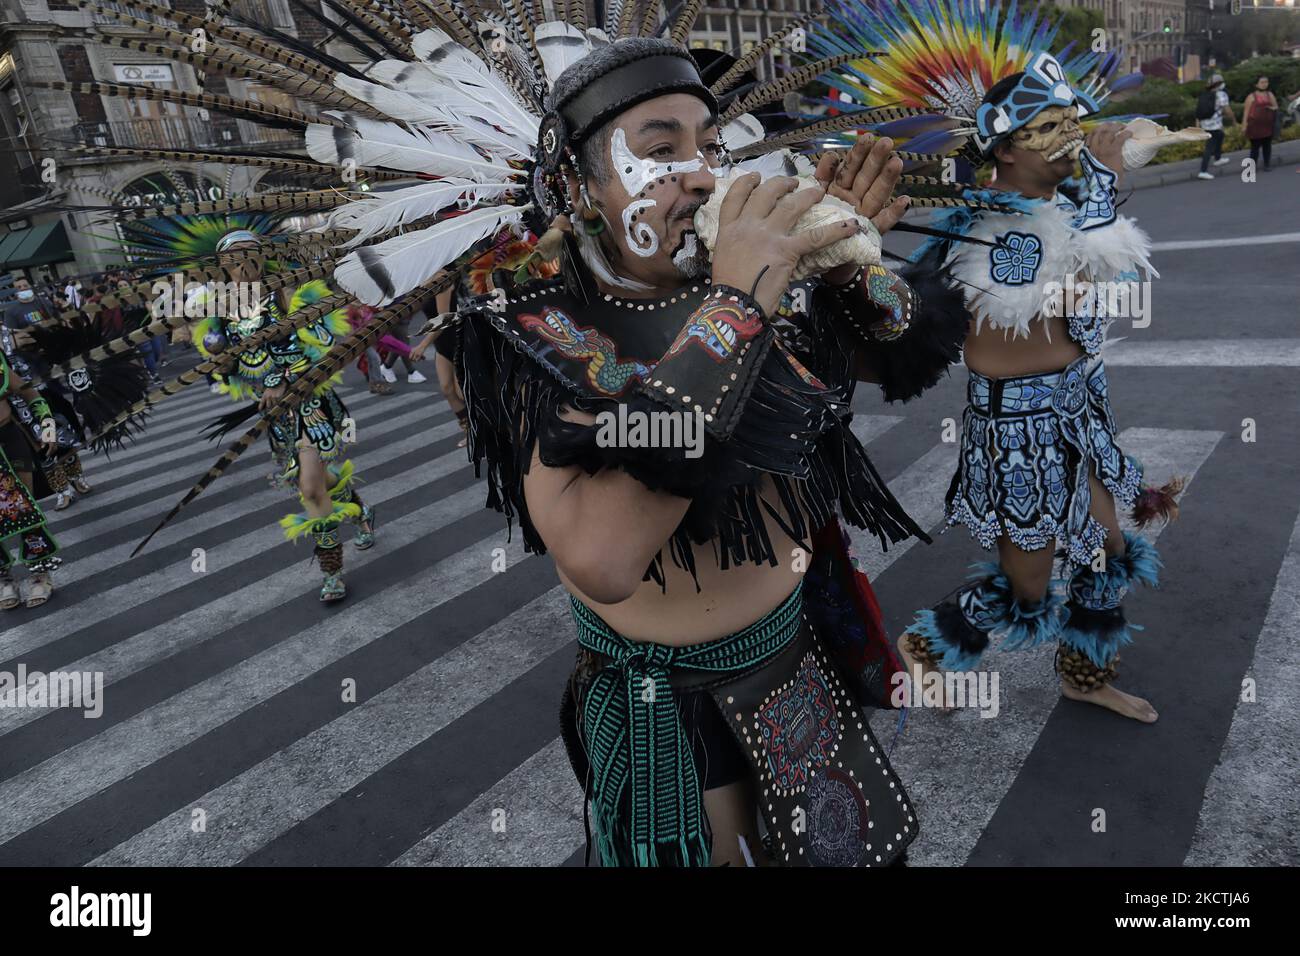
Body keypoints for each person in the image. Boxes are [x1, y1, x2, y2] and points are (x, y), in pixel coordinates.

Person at [818, 0, 1181, 723]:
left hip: (1079, 415)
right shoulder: (993, 232)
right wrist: (1104, 184)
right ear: (1005, 149)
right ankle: (927, 650)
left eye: (1072, 125)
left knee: (1108, 551)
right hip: (1017, 434)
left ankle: (1084, 670)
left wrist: (1102, 183)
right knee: (1027, 586)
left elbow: (1101, 265)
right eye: (1050, 129)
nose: (1071, 139)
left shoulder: (1059, 211)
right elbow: (1062, 288)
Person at [197, 231, 377, 601]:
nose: (244, 264)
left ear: (263, 258)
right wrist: (221, 359)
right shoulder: (222, 312)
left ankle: (332, 573)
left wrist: (283, 380)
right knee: (320, 481)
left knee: (310, 489)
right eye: (234, 259)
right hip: (275, 416)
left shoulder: (289, 295)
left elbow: (322, 351)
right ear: (223, 267)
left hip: (309, 404)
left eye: (251, 255)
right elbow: (228, 369)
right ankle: (360, 510)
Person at [1197, 73, 1236, 180]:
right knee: (1209, 147)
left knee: (1221, 135)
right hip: (1214, 126)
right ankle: (1203, 171)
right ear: (1219, 84)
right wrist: (1233, 120)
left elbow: (1198, 111)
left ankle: (1217, 159)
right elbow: (1227, 110)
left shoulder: (1205, 94)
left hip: (1206, 123)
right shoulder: (1221, 95)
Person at [1243, 75, 1279, 172]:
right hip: (1254, 126)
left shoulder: (1269, 94)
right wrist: (1244, 126)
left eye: (1266, 82)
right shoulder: (1251, 96)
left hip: (1267, 125)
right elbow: (1246, 112)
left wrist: (1271, 108)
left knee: (1267, 146)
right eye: (1262, 82)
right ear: (1256, 84)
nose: (1264, 84)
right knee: (1255, 147)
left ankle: (1267, 164)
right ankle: (1251, 167)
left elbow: (1276, 107)